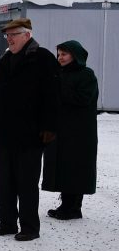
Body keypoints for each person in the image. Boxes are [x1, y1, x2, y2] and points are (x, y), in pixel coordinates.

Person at [0, 18, 60, 242]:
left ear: (27, 35)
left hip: (31, 133)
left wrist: (49, 127)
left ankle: (29, 227)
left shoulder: (43, 59)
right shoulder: (5, 60)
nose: (9, 39)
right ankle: (7, 222)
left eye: (14, 34)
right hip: (6, 132)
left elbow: (53, 96)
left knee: (26, 182)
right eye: (7, 35)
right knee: (5, 181)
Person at [42, 40, 98, 220]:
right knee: (62, 166)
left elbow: (83, 99)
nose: (60, 58)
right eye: (59, 54)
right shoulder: (59, 73)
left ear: (75, 56)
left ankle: (74, 207)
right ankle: (66, 204)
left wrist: (59, 87)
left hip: (79, 132)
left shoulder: (86, 75)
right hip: (61, 130)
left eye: (64, 54)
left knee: (76, 167)